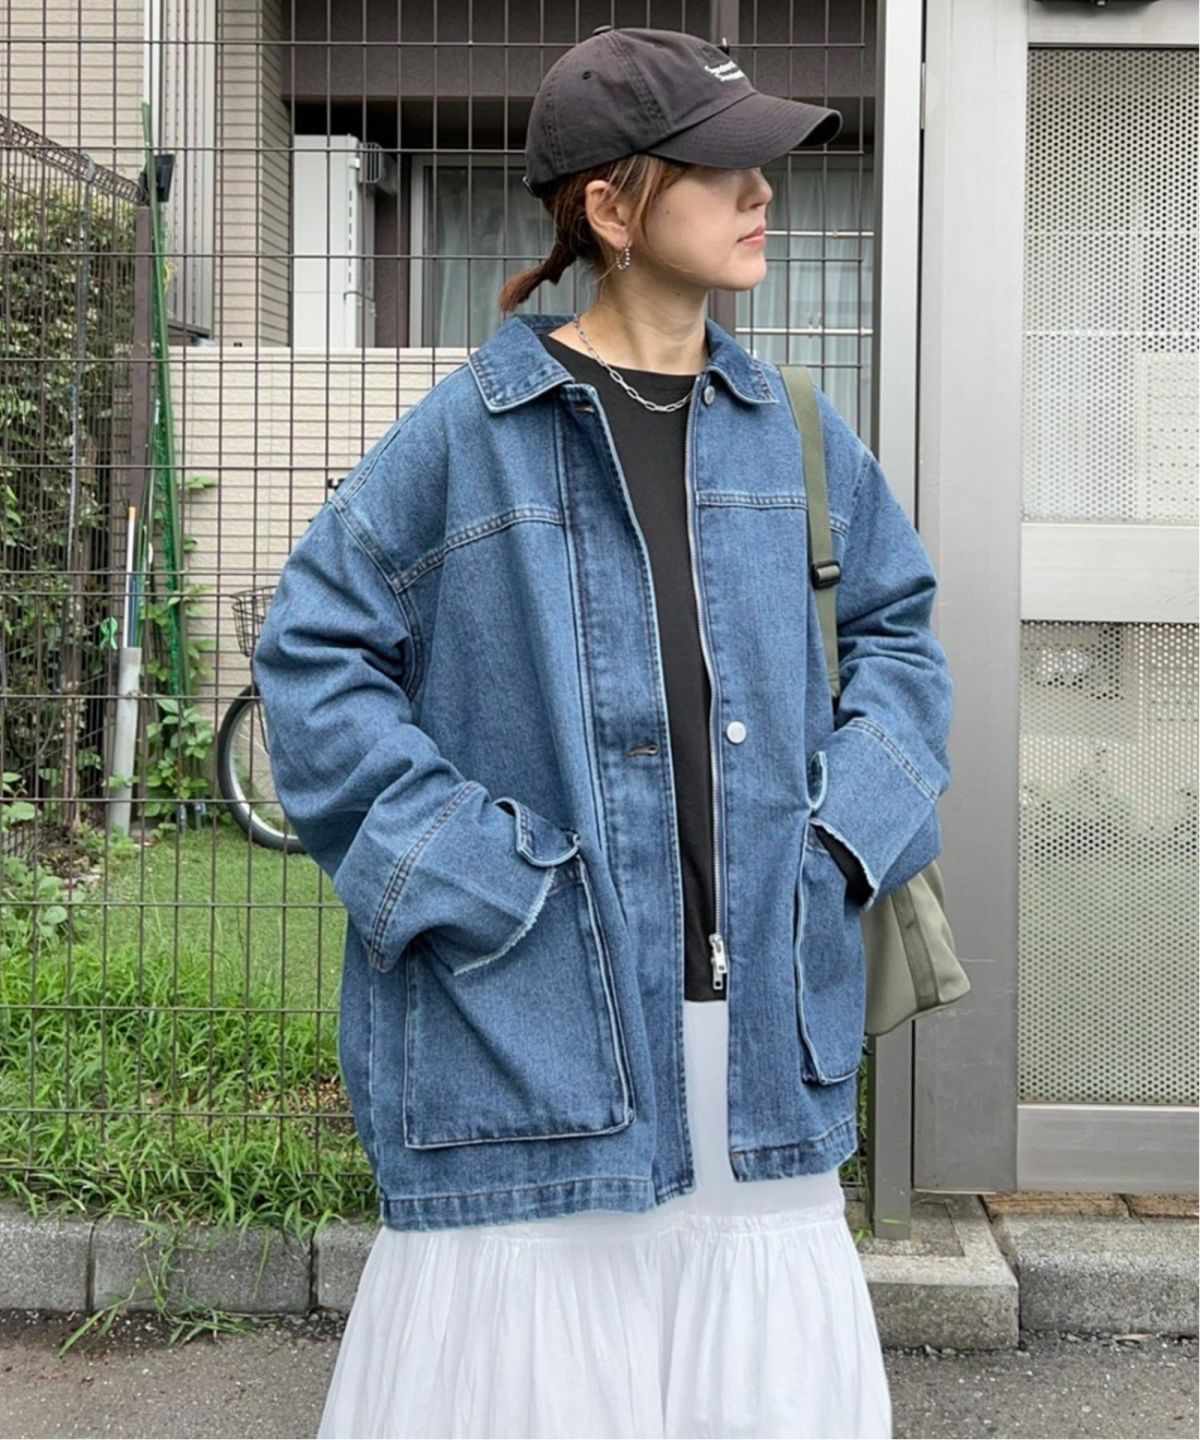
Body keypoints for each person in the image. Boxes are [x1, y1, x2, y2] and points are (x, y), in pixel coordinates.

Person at [253, 25, 954, 1439]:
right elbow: (313, 663)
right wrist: (483, 880)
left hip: (762, 1028)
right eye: (722, 166)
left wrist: (836, 843)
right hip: (532, 1029)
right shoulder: (468, 435)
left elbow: (900, 638)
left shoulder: (794, 431)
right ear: (611, 208)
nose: (763, 190)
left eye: (763, 164)